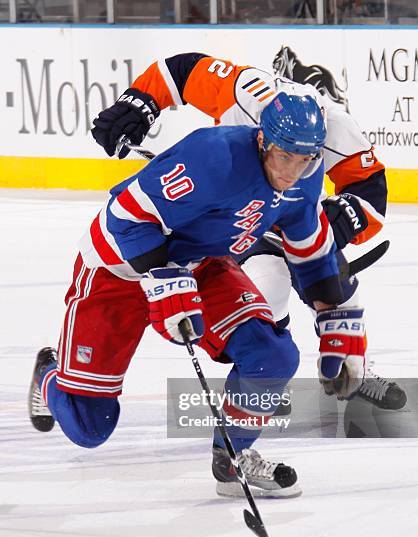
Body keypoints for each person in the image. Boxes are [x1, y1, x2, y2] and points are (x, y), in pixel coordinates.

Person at [28, 92, 366, 498]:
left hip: (203, 265)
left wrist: (335, 313)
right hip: (117, 269)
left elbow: (310, 249)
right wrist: (165, 277)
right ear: (263, 141)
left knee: (272, 356)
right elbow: (124, 217)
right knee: (89, 426)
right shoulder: (213, 157)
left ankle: (233, 457)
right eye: (285, 156)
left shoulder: (305, 177)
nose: (294, 171)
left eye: (306, 159)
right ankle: (49, 374)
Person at [91, 52, 406, 413]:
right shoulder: (245, 89)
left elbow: (370, 192)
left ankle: (355, 370)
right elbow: (182, 71)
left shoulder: (337, 126)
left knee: (340, 293)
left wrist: (338, 224)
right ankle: (266, 381)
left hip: (297, 218)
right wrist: (139, 102)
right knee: (265, 284)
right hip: (234, 221)